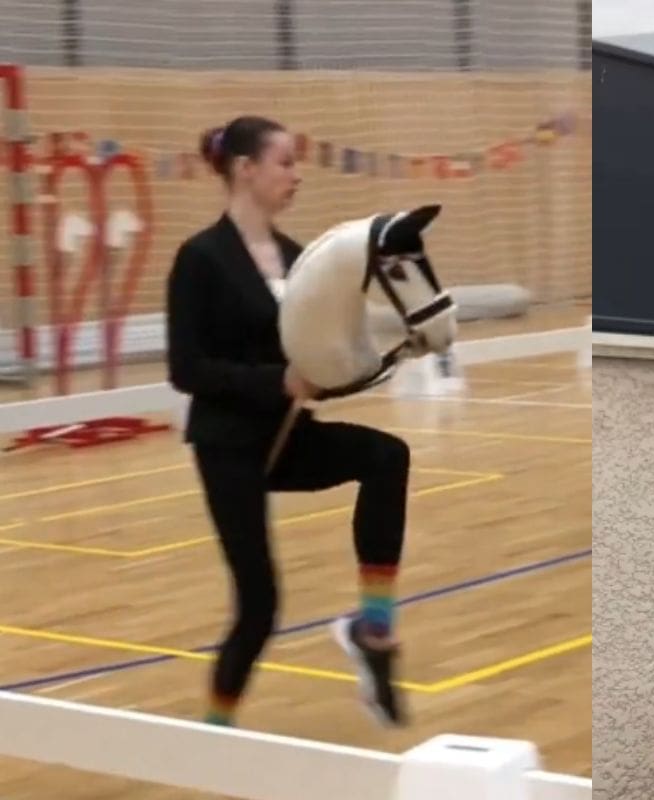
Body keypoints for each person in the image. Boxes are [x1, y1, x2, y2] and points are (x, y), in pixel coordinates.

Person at [165, 114, 413, 728]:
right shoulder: (200, 258)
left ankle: (373, 633)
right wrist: (275, 382)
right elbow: (186, 368)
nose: (296, 176)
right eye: (284, 162)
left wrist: (369, 362)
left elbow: (315, 357)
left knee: (388, 457)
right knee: (259, 606)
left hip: (289, 437)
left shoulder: (302, 261)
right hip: (228, 447)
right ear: (245, 170)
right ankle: (216, 731)